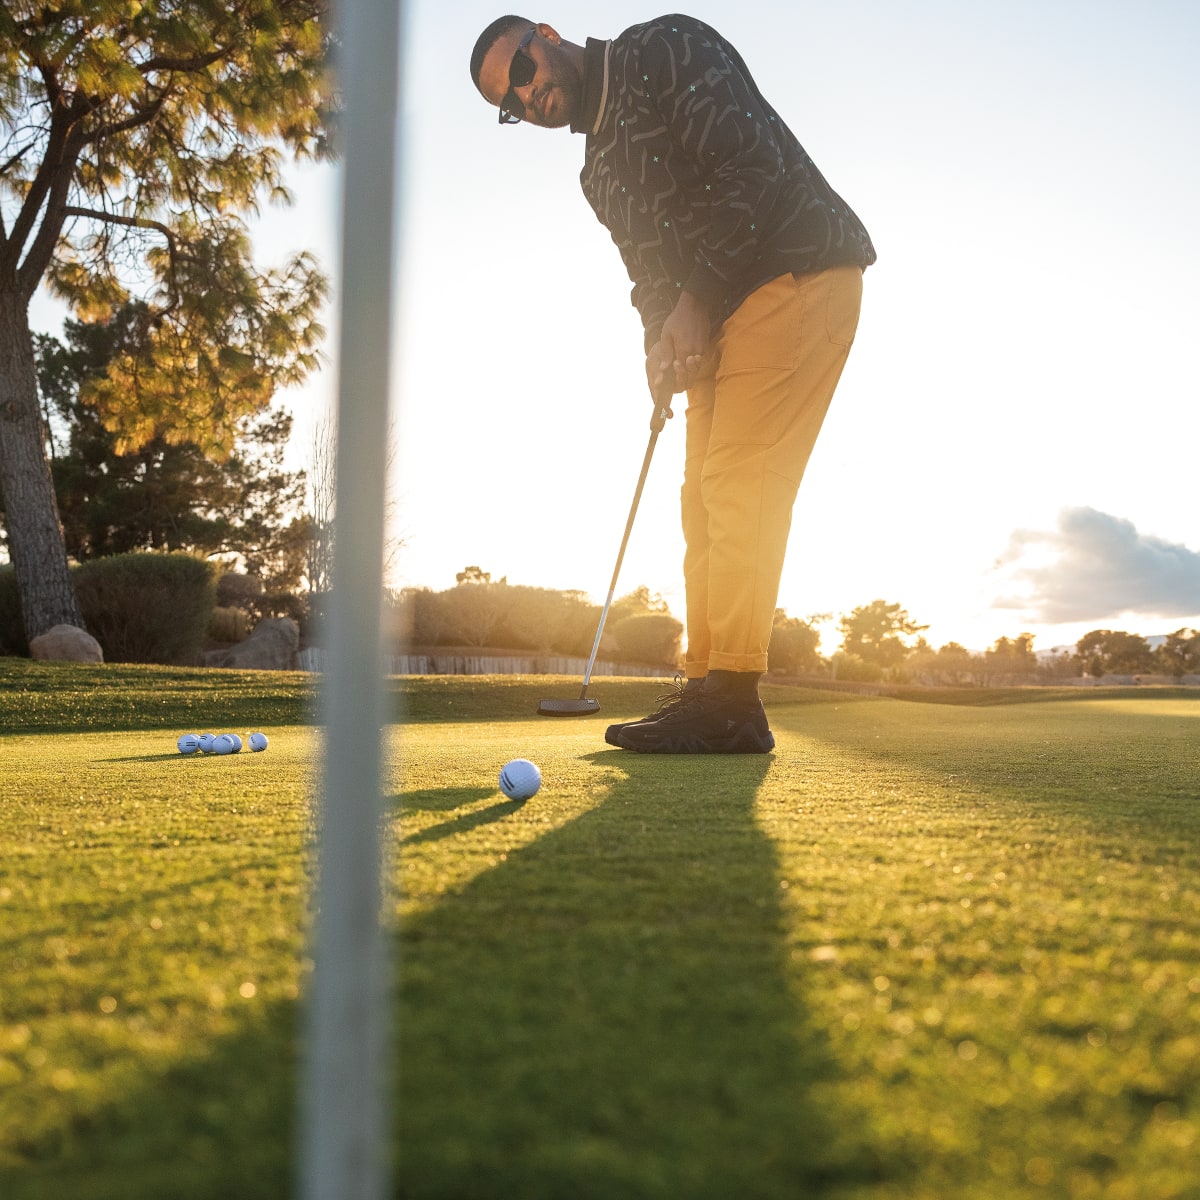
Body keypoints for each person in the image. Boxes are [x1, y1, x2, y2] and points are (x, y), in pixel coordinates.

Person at [470, 14, 875, 754]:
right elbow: (648, 273)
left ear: (546, 35)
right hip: (720, 313)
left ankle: (732, 696)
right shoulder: (596, 172)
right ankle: (707, 691)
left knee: (739, 479)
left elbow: (748, 165)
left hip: (801, 270)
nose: (527, 101)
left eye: (521, 75)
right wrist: (659, 345)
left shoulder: (661, 49)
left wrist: (689, 305)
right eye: (510, 105)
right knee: (699, 499)